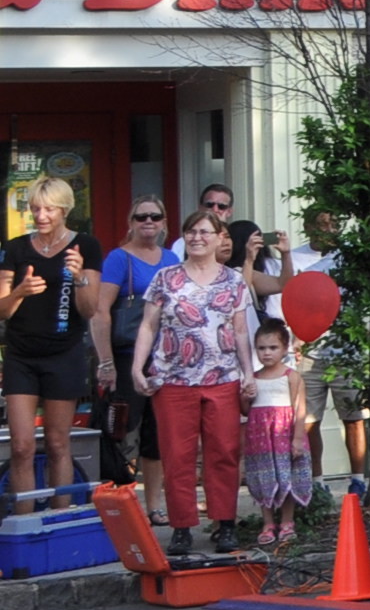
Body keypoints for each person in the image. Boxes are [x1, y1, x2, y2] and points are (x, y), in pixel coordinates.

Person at [128, 209, 255, 556]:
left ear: (219, 238)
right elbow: (148, 326)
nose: (198, 237)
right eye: (191, 232)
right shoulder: (166, 278)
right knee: (177, 455)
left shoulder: (233, 280)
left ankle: (224, 523)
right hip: (173, 380)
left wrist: (248, 375)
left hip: (222, 378)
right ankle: (181, 526)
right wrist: (138, 369)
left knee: (224, 453)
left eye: (205, 232)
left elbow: (241, 330)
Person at [2, 175, 105, 516]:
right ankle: (25, 523)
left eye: (48, 209)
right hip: (21, 354)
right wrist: (20, 291)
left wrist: (79, 277)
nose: (41, 215)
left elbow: (90, 310)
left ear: (64, 210)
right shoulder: (16, 248)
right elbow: (2, 308)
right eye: (35, 209)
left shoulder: (85, 246)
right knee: (21, 446)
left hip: (64, 352)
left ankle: (62, 519)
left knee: (59, 442)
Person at [93, 198, 171, 499]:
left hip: (164, 358)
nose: (148, 221)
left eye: (155, 216)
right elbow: (100, 312)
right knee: (124, 431)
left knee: (156, 435)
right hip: (126, 356)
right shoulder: (118, 258)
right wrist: (106, 363)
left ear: (164, 222)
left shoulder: (170, 259)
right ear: (131, 222)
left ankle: (153, 505)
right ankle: (121, 503)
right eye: (141, 217)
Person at [240, 317, 316, 545]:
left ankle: (287, 521)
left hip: (285, 435)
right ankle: (267, 523)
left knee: (287, 477)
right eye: (262, 348)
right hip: (261, 438)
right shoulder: (253, 378)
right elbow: (245, 409)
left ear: (284, 349)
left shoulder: (291, 376)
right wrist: (246, 396)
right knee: (265, 477)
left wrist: (298, 439)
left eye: (273, 348)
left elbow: (299, 409)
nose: (267, 353)